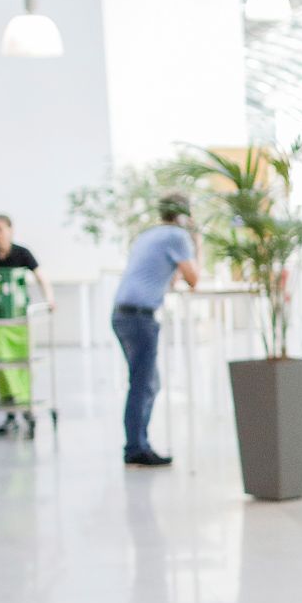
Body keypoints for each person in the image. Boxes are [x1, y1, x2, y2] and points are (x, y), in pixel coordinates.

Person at [113, 194, 200, 467]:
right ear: (185, 215)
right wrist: (196, 241)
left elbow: (170, 278)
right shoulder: (177, 236)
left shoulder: (149, 235)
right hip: (139, 317)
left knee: (148, 382)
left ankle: (137, 444)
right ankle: (135, 448)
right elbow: (194, 278)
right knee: (142, 383)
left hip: (122, 314)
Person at [0, 213, 53, 435]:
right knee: (2, 363)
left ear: (10, 230)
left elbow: (40, 275)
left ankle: (25, 405)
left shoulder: (21, 253)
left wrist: (49, 298)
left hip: (18, 320)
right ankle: (10, 409)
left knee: (21, 363)